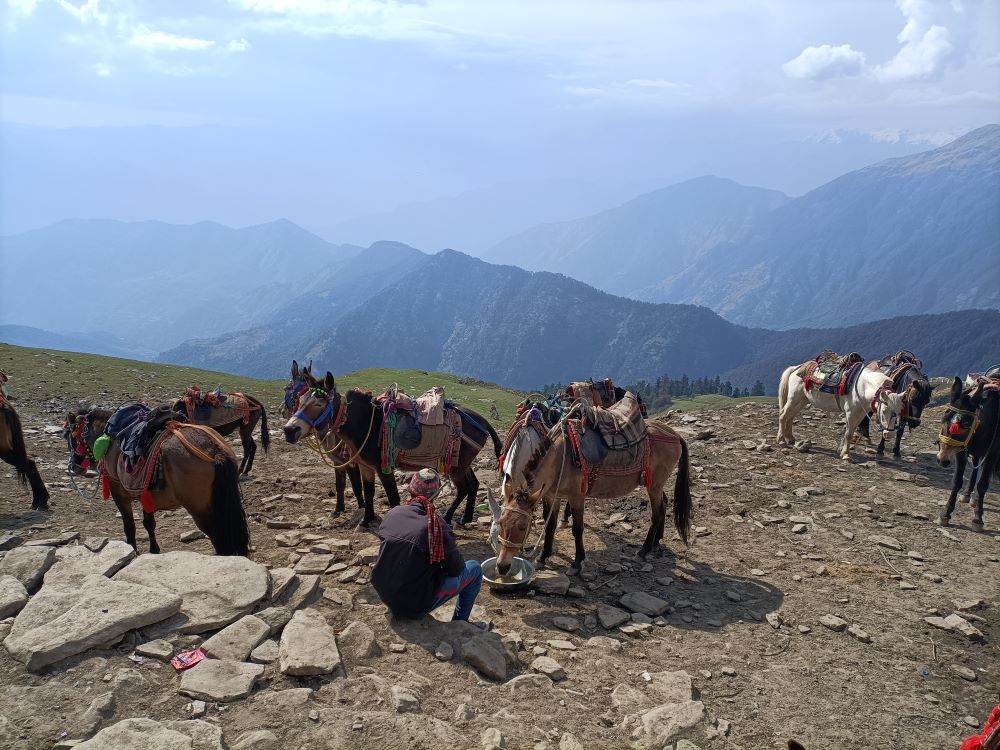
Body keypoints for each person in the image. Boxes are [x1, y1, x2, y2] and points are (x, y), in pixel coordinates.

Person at [371, 468, 483, 622]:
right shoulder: (437, 526)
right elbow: (456, 569)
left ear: (410, 490)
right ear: (435, 495)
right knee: (475, 569)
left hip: (384, 593)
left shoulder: (393, 513)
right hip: (414, 605)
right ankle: (460, 623)